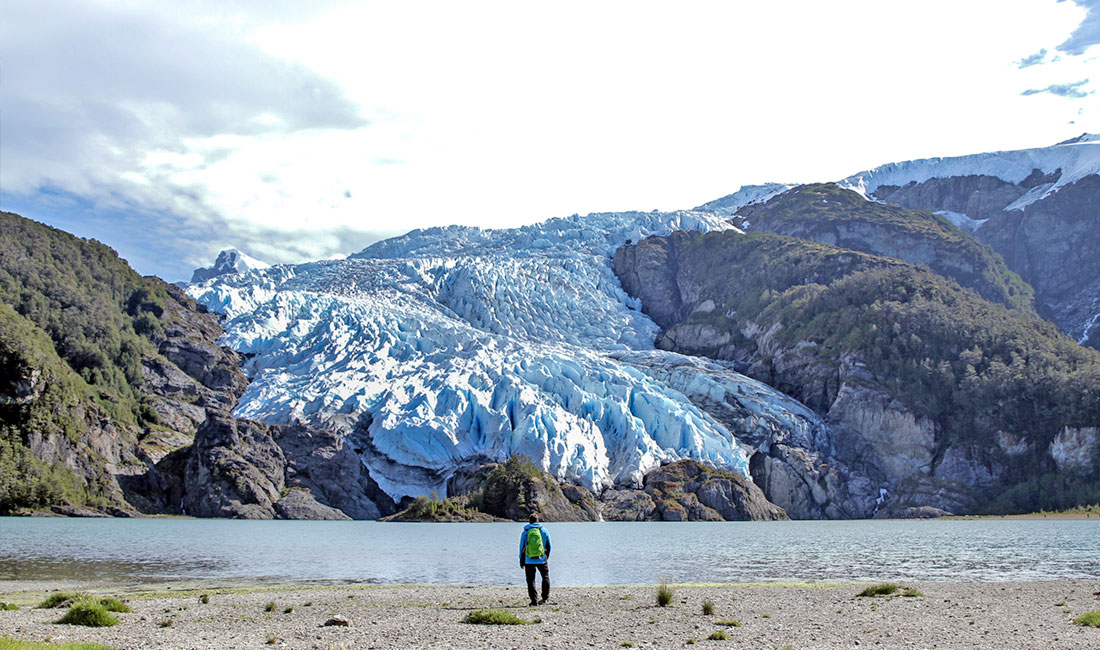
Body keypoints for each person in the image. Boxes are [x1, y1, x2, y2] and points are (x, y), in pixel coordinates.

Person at [519, 512, 551, 606]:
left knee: (530, 580)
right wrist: (546, 557)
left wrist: (521, 561)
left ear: (529, 521)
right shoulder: (544, 531)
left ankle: (534, 601)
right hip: (542, 559)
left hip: (529, 560)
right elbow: (549, 545)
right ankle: (544, 598)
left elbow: (522, 548)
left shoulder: (525, 532)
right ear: (538, 521)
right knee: (545, 577)